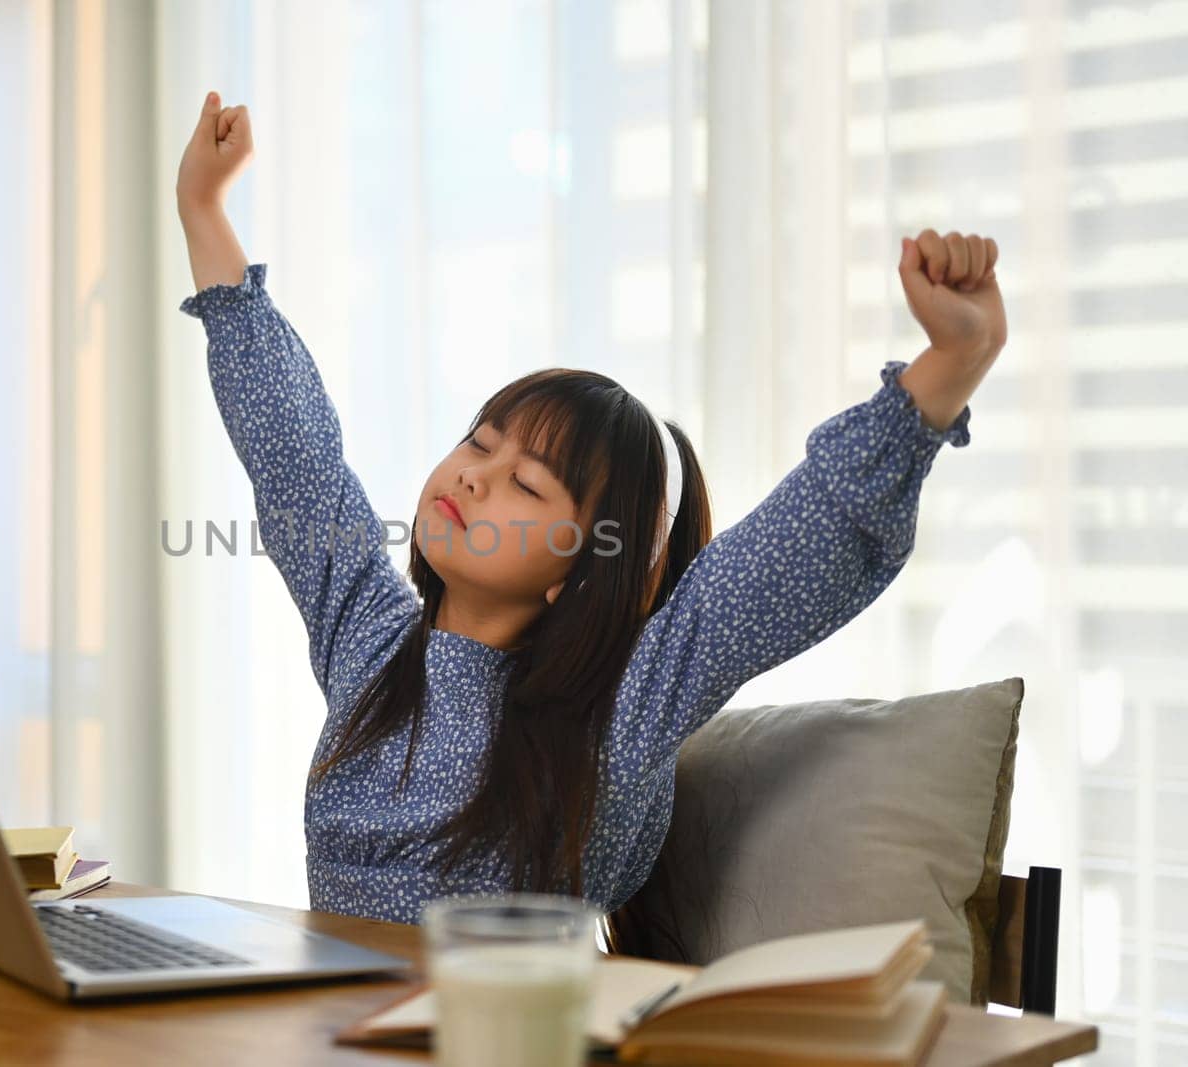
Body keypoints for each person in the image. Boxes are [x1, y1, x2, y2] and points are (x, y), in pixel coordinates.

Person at [174, 91, 1007, 947]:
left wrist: (956, 358)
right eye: (479, 442)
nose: (476, 475)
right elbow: (294, 455)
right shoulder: (372, 643)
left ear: (583, 561)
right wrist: (202, 207)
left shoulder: (625, 705)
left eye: (528, 485)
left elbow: (789, 551)